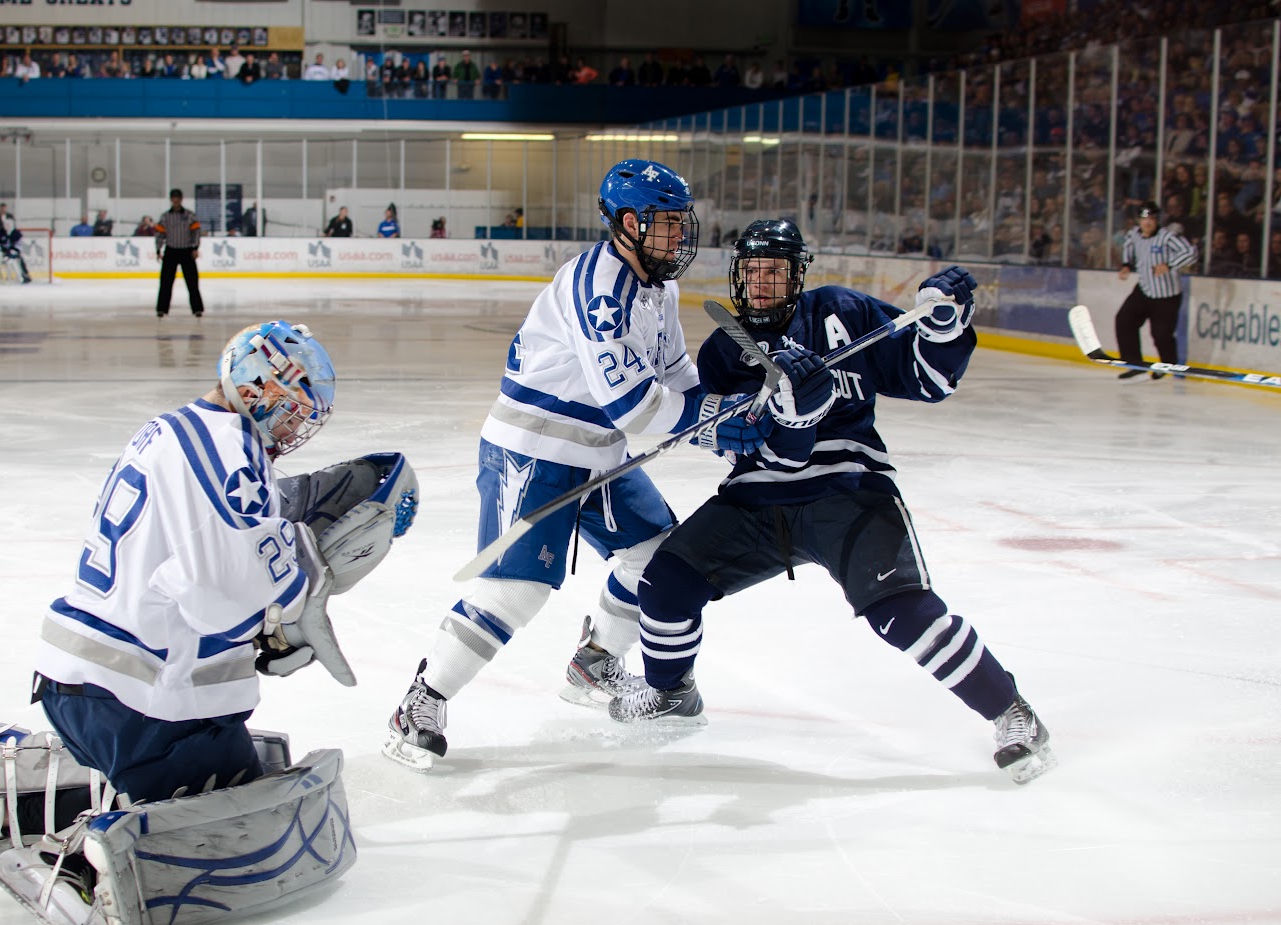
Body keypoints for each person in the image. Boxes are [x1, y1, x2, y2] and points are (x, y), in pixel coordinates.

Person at [0, 320, 415, 925]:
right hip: (144, 701)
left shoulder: (177, 429)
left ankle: (3, 789)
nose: (294, 428)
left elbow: (199, 564)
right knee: (258, 819)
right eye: (293, 409)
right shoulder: (227, 447)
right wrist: (296, 592)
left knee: (225, 774)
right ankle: (81, 869)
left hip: (83, 678)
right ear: (261, 387)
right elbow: (218, 586)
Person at [610, 219, 1056, 785]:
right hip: (759, 496)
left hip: (848, 488)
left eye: (775, 271)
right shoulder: (724, 351)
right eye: (753, 271)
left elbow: (929, 381)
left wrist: (943, 329)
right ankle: (671, 692)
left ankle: (1011, 711)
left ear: (797, 275)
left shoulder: (842, 312)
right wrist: (795, 419)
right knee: (665, 583)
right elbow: (764, 454)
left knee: (901, 612)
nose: (762, 283)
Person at [383, 159, 781, 773]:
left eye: (681, 221)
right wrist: (713, 420)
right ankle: (421, 702)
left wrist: (722, 422)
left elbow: (676, 374)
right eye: (668, 222)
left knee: (656, 555)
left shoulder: (658, 286)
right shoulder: (600, 291)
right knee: (515, 593)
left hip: (598, 453)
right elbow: (635, 407)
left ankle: (594, 665)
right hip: (533, 451)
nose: (681, 234)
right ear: (630, 223)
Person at [1115, 201, 1198, 381]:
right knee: (1124, 320)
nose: (1148, 222)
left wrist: (1169, 265)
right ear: (1139, 220)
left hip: (1167, 294)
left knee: (1161, 334)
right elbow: (1129, 245)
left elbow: (1190, 252)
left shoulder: (1167, 236)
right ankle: (1134, 364)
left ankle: (1168, 364)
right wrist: (1126, 265)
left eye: (1152, 218)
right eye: (1144, 219)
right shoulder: (1134, 234)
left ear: (1157, 220)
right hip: (1144, 289)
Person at [154, 188, 203, 318]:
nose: (176, 200)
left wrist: (195, 247)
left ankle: (197, 309)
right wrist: (158, 249)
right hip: (171, 250)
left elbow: (196, 232)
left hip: (187, 251)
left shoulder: (189, 215)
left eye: (178, 198)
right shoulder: (165, 217)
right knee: (166, 282)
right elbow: (159, 234)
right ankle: (162, 308)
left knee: (192, 282)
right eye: (173, 198)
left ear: (181, 199)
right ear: (171, 199)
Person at [0, 216, 32, 284]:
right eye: (6, 224)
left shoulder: (17, 234)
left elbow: (18, 246)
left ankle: (24, 275)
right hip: (0, 252)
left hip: (12, 252)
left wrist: (11, 253)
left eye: (9, 224)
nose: (7, 226)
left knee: (20, 258)